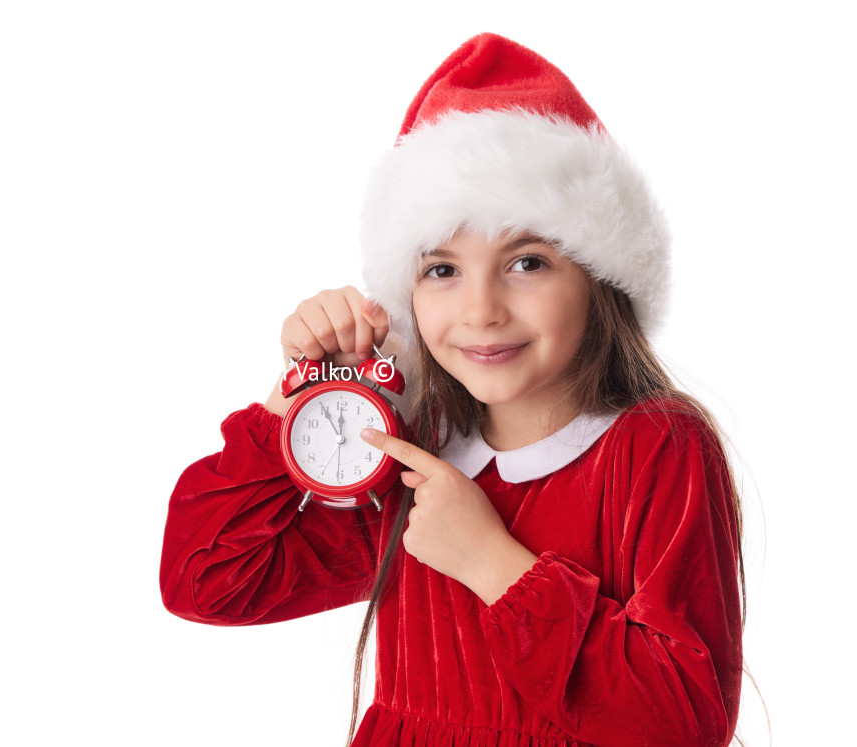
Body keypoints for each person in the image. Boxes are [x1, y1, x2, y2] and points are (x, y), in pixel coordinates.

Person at [159, 33, 744, 747]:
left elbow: (685, 723)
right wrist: (304, 397)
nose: (481, 310)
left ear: (599, 275)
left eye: (526, 261)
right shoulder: (410, 453)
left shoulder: (655, 447)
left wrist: (495, 565)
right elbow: (206, 579)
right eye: (442, 270)